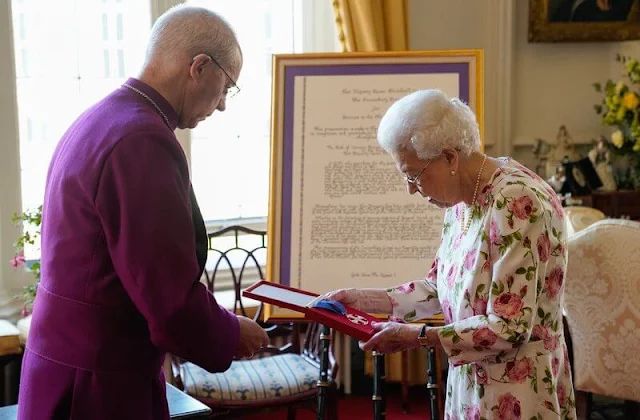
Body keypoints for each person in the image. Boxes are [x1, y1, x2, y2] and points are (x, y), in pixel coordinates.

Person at [17, 5, 268, 420]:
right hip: (99, 381)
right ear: (200, 67)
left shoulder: (103, 117)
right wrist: (228, 332)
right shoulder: (142, 140)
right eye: (227, 87)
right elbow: (165, 295)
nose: (223, 105)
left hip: (64, 363)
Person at [318, 90, 577, 419]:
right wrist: (364, 300)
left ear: (449, 158)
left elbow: (510, 327)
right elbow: (440, 287)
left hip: (520, 391)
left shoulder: (517, 202)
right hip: (472, 383)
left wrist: (418, 337)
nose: (410, 188)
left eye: (412, 175)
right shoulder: (462, 198)